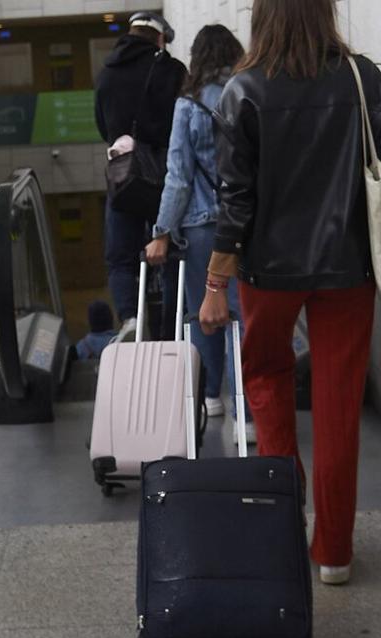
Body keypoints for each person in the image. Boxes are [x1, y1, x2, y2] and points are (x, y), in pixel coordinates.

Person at [199, 0, 381, 587]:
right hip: (348, 269)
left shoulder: (242, 90)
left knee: (266, 380)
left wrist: (216, 283)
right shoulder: (363, 78)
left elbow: (234, 203)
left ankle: (281, 525)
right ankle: (335, 553)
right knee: (340, 401)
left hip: (267, 273)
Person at [145, 25, 250, 434]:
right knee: (240, 316)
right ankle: (249, 413)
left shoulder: (188, 106)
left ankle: (211, 397)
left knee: (203, 314)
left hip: (203, 228)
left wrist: (161, 230)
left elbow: (179, 178)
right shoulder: (249, 95)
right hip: (245, 224)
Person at [94, 12, 187, 342]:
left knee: (120, 256)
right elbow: (183, 120)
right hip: (165, 174)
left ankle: (131, 317)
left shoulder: (107, 74)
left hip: (124, 175)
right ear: (160, 39)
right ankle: (175, 320)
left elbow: (103, 126)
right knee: (171, 250)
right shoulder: (172, 71)